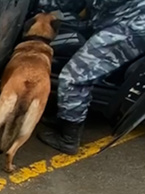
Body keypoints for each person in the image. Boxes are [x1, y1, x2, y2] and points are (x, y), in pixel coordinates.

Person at [37, 0, 145, 154]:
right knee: (85, 67)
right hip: (116, 17)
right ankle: (64, 116)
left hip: (132, 26)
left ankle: (68, 138)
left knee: (75, 75)